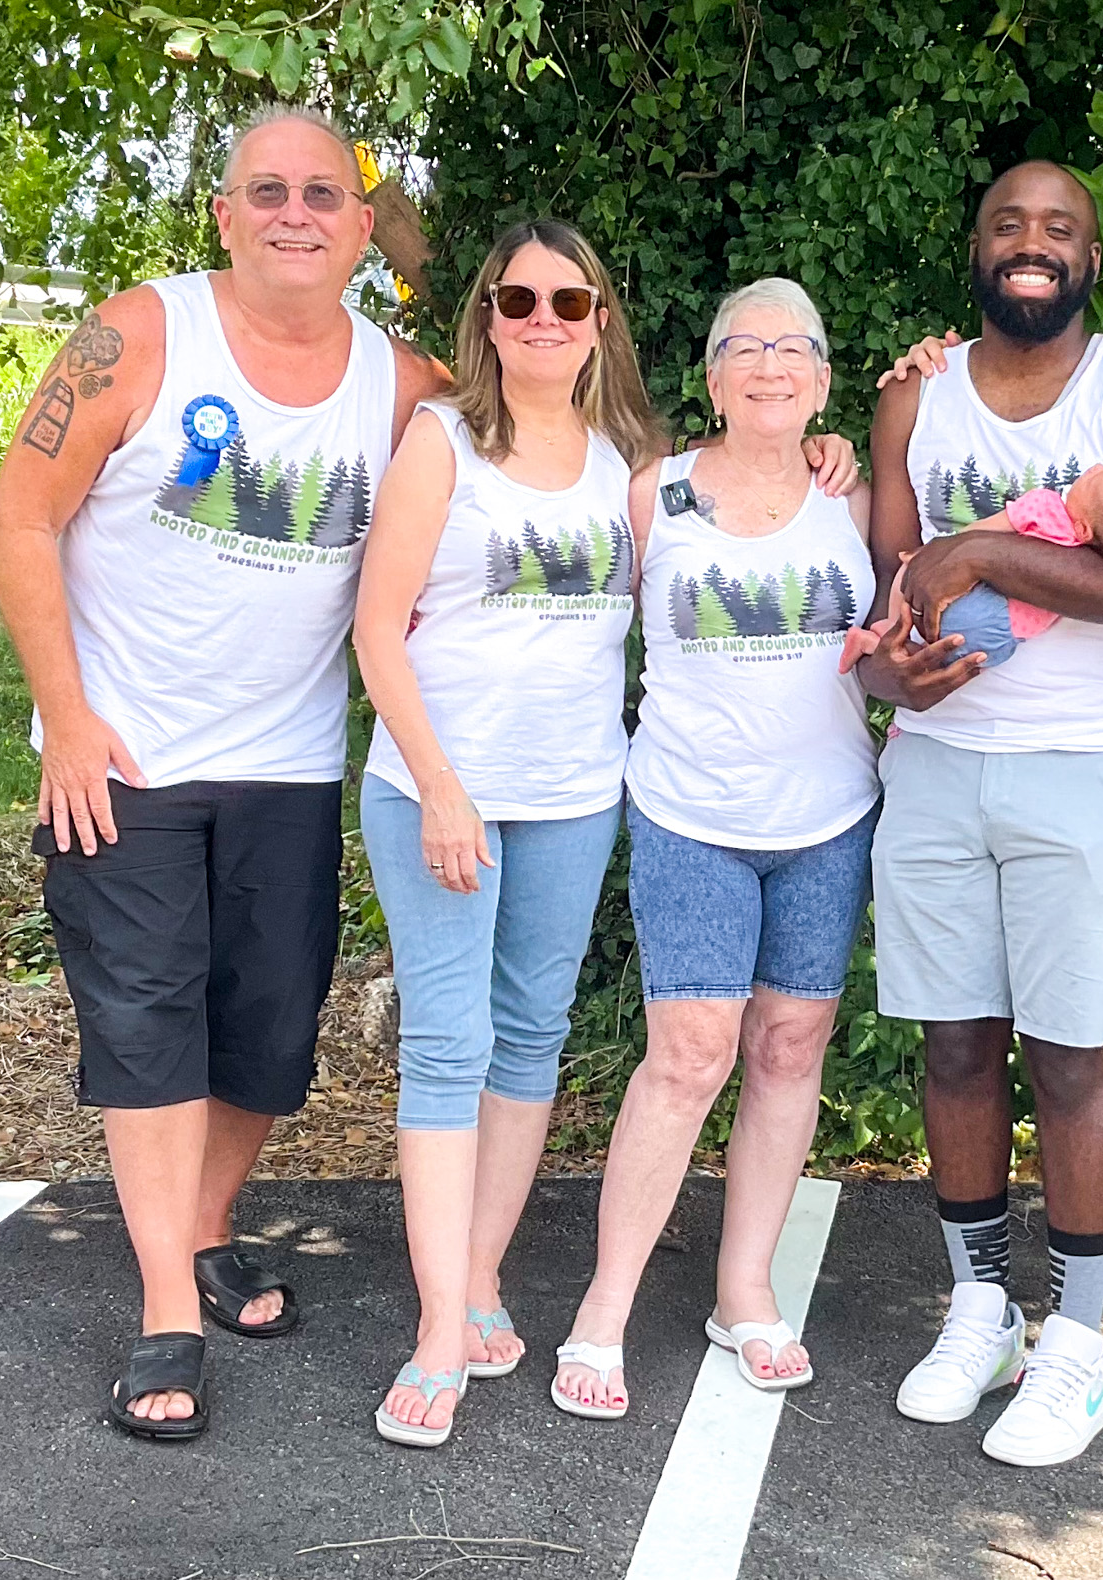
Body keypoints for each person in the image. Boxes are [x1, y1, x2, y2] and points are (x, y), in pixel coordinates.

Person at [0, 106, 448, 1440]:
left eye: (326, 194)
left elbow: (544, 415)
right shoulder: (138, 334)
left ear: (362, 225)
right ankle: (163, 1311)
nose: (296, 213)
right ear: (225, 212)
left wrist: (823, 442)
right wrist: (67, 717)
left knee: (270, 1033)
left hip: (285, 768)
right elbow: (20, 515)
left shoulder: (402, 384)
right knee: (146, 1024)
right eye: (269, 190)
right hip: (121, 758)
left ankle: (200, 1225)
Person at [352, 233, 857, 1447]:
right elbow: (376, 625)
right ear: (487, 315)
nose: (544, 315)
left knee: (530, 1034)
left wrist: (831, 445)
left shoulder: (628, 464)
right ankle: (438, 1326)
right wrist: (439, 785)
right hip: (444, 790)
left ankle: (479, 1278)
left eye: (568, 298)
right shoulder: (444, 442)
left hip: (575, 792)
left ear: (598, 320)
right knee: (447, 1043)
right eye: (519, 297)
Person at [856, 160, 1103, 1468]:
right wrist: (890, 677)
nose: (1033, 242)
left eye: (1060, 228)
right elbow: (888, 594)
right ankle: (983, 1310)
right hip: (935, 762)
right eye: (1009, 223)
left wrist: (989, 552)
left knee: (1067, 1060)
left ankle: (1076, 1341)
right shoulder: (915, 395)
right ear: (977, 247)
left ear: (1091, 258)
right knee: (954, 1046)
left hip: (1078, 764)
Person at [552, 278, 877, 1419]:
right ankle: (604, 1307)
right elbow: (578, 626)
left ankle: (744, 1289)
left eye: (794, 347)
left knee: (788, 1047)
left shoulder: (854, 495)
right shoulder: (657, 492)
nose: (770, 364)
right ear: (712, 377)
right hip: (690, 813)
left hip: (827, 817)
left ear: (823, 381)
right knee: (689, 1056)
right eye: (745, 346)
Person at [840, 460, 1103, 671]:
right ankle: (882, 644)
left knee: (912, 571)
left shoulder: (1046, 507)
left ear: (1084, 529)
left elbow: (985, 532)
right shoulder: (1091, 563)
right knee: (938, 660)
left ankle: (885, 631)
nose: (1096, 466)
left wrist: (938, 552)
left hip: (976, 606)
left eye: (1096, 479)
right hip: (1003, 640)